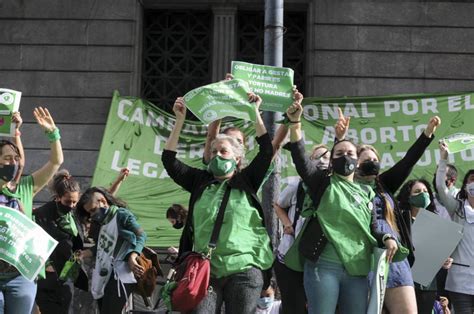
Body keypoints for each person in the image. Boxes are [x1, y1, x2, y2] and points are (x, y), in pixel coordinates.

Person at [285, 96, 399, 313]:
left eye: (350, 154)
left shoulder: (367, 191)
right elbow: (300, 158)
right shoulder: (322, 183)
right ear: (332, 160)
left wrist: (387, 238)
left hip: (356, 269)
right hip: (322, 267)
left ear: (357, 161)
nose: (345, 157)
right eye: (339, 154)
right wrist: (295, 123)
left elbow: (373, 228)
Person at [162, 94, 274, 313]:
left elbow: (267, 150)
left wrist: (254, 112)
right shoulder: (199, 181)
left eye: (224, 151)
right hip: (206, 271)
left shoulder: (247, 180)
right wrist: (179, 120)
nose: (217, 156)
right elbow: (169, 160)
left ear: (237, 158)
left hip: (244, 269)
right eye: (213, 152)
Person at [333, 109, 441, 313]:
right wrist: (340, 139)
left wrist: (427, 134)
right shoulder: (345, 187)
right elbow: (333, 170)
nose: (372, 163)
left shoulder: (384, 184)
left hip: (394, 259)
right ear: (355, 165)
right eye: (365, 160)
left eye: (375, 160)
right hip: (361, 260)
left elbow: (408, 161)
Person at [0, 107, 63, 314]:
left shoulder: (25, 188)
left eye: (15, 159)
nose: (14, 163)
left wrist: (53, 134)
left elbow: (56, 162)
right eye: (8, 159)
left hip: (20, 276)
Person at [273, 144, 329, 314]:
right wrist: (287, 223)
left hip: (322, 257)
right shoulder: (296, 185)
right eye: (317, 157)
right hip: (291, 255)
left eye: (326, 157)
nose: (322, 161)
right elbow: (278, 205)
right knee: (294, 306)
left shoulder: (334, 187)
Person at [76, 187, 147, 314]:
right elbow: (101, 247)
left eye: (93, 210)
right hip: (103, 276)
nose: (92, 215)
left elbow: (141, 235)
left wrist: (132, 256)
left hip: (119, 275)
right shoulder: (102, 222)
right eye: (89, 213)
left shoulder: (121, 215)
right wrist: (84, 254)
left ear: (103, 201)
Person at [397, 178, 453, 314]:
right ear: (408, 197)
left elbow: (437, 254)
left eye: (425, 191)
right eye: (417, 192)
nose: (423, 194)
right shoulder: (400, 221)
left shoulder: (436, 223)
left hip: (428, 286)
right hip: (405, 282)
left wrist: (445, 260)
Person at [34, 170, 82, 314]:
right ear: (57, 198)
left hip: (68, 275)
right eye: (68, 201)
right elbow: (33, 241)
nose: (72, 205)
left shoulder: (74, 215)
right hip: (49, 277)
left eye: (75, 202)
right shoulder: (42, 214)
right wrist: (45, 265)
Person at [436, 142, 474, 314]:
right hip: (462, 284)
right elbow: (440, 188)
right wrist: (443, 159)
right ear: (466, 185)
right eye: (472, 180)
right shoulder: (457, 208)